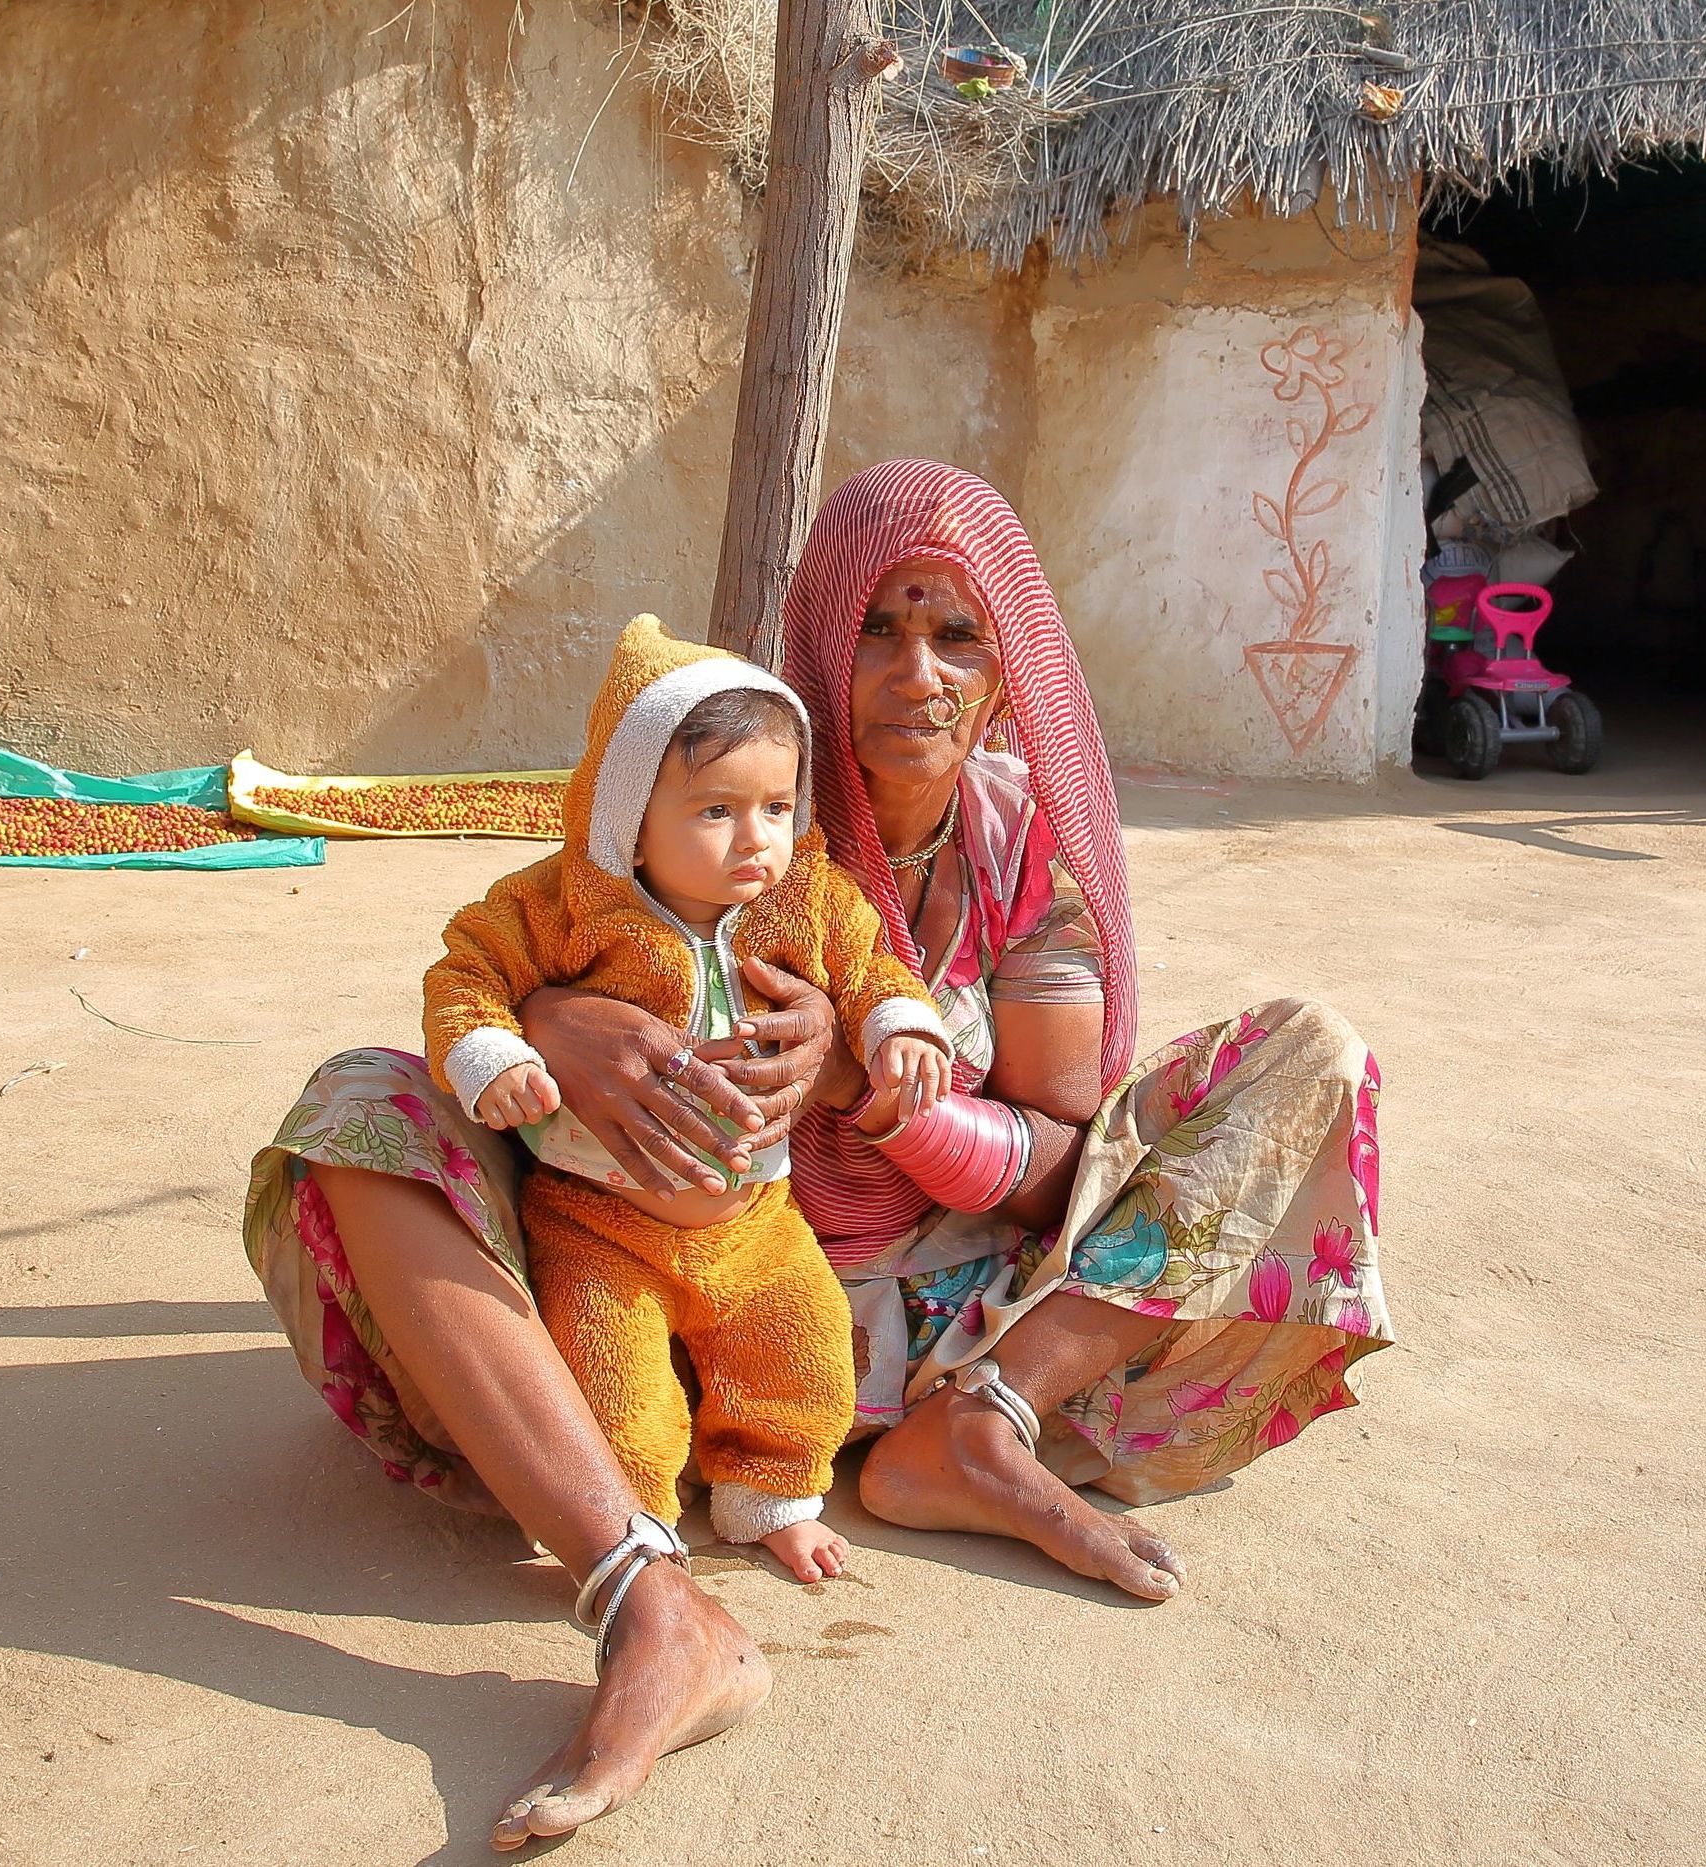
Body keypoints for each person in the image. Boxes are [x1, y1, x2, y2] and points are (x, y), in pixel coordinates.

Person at [240, 460, 1390, 1851]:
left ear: (1009, 665)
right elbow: (539, 920)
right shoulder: (734, 783)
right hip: (648, 1297)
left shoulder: (1023, 846)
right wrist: (556, 1020)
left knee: (1307, 1056)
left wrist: (873, 1087)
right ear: (816, 638)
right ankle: (646, 1591)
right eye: (877, 627)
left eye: (956, 632)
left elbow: (1056, 1164)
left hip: (967, 1310)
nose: (917, 671)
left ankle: (981, 1427)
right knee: (361, 1110)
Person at [423, 622, 952, 1591]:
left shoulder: (806, 902)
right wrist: (491, 1050)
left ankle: (771, 1494)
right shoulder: (565, 904)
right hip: (599, 1220)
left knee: (803, 1350)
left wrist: (897, 1028)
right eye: (716, 809)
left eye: (776, 807)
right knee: (611, 1391)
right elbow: (470, 966)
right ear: (630, 811)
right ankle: (635, 1529)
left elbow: (874, 969)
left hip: (754, 1218)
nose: (756, 838)